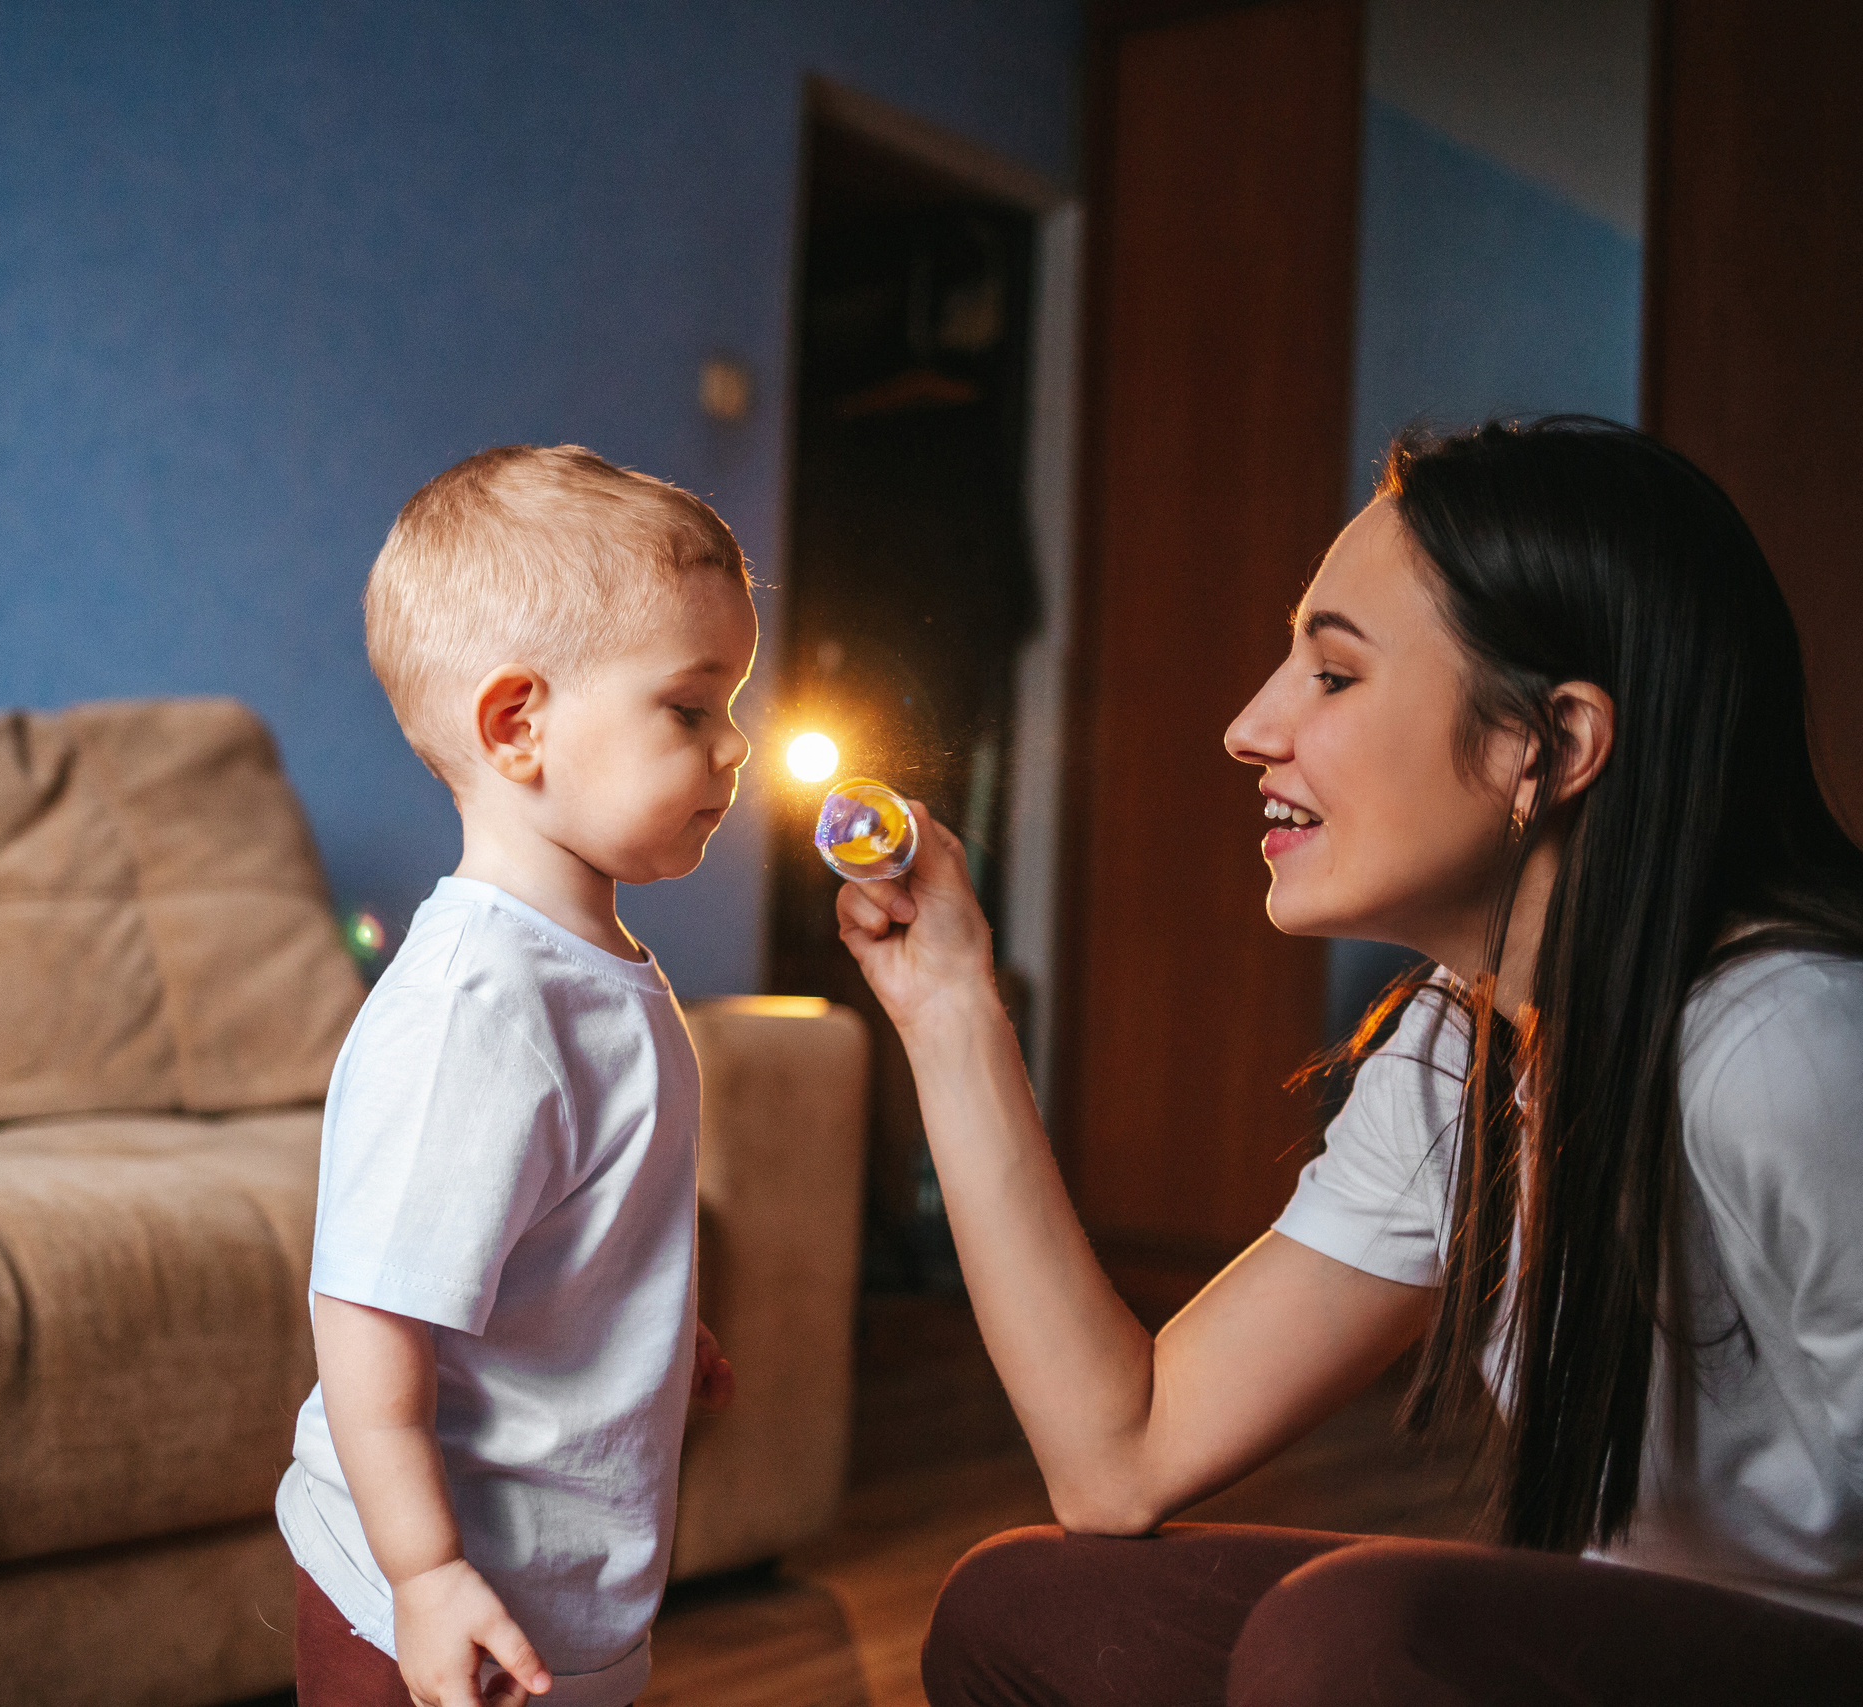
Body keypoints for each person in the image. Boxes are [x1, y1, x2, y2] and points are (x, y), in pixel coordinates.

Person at [834, 418, 1863, 1704]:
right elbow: (1121, 1452)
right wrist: (946, 1005)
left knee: (1355, 1634)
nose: (1247, 727)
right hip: (1634, 1636)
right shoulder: (1462, 1047)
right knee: (1027, 1606)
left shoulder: (1791, 1049)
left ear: (1544, 748)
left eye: (1331, 676)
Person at [276, 445, 746, 1707]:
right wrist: (424, 1574)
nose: (733, 746)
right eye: (690, 708)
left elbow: (560, 1220)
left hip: (564, 1577)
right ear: (518, 724)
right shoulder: (477, 1004)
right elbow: (370, 1309)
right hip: (422, 1601)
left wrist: (637, 1323)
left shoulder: (595, 967)